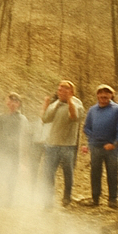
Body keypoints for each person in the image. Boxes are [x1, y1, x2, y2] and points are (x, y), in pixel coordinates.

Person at [81, 84, 118, 207]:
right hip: (95, 146)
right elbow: (86, 128)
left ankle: (113, 199)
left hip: (111, 148)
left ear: (111, 95)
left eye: (106, 93)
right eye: (100, 93)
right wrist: (93, 138)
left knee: (112, 173)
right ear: (97, 95)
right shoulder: (92, 110)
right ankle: (95, 199)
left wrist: (114, 144)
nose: (103, 95)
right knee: (95, 173)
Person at [41, 80, 82, 208]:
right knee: (49, 173)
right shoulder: (55, 104)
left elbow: (74, 117)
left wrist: (69, 101)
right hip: (52, 144)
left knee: (68, 173)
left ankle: (67, 198)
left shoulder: (77, 103)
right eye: (59, 90)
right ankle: (48, 201)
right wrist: (47, 105)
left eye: (65, 90)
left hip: (68, 145)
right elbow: (45, 119)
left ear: (71, 92)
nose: (61, 92)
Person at [0, 93, 30, 209]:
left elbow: (25, 138)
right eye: (9, 101)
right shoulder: (1, 117)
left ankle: (9, 202)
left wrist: (24, 158)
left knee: (11, 177)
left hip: (13, 152)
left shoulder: (22, 119)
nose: (11, 103)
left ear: (18, 104)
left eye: (14, 101)